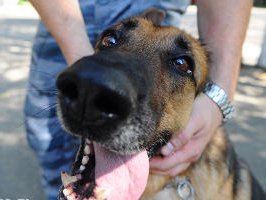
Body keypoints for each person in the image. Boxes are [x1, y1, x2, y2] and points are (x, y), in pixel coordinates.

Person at [25, 0, 252, 199]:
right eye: (111, 41)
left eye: (181, 64)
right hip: (57, 19)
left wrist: (219, 97)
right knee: (51, 146)